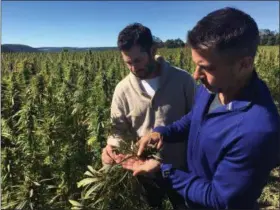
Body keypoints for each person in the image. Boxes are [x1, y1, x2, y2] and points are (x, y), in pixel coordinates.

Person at [121, 7, 280, 209]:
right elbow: (194, 118)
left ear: (244, 64)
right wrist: (163, 133)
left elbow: (220, 198)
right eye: (196, 65)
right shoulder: (214, 87)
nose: (196, 75)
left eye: (206, 67)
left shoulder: (256, 131)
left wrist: (165, 171)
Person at [101, 23, 197, 209]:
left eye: (138, 60)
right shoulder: (122, 90)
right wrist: (112, 146)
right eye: (128, 62)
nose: (133, 68)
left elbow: (197, 121)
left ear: (153, 50)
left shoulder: (183, 81)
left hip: (180, 171)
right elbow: (118, 130)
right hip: (143, 172)